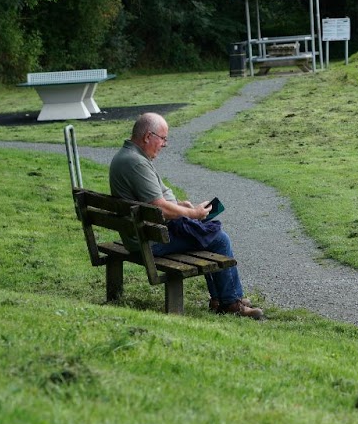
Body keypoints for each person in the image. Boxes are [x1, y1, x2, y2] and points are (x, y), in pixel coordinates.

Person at [109, 112, 265, 319]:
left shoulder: (128, 156)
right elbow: (160, 208)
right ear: (148, 136)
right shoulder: (136, 163)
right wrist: (192, 213)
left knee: (206, 231)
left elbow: (154, 201)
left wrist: (180, 206)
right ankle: (230, 302)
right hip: (148, 241)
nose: (164, 144)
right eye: (163, 138)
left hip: (142, 233)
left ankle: (221, 298)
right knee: (217, 238)